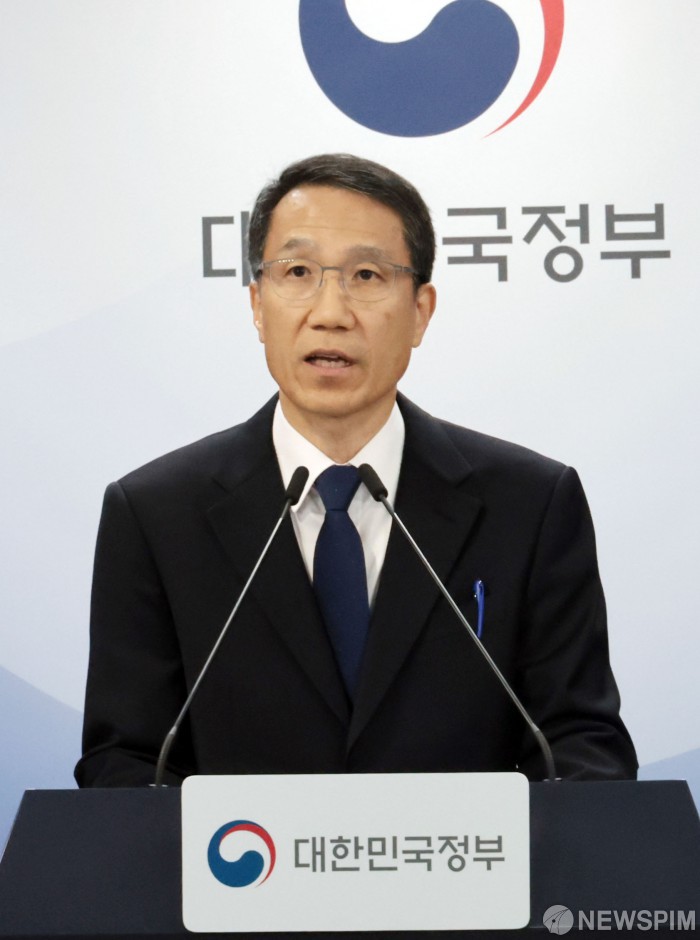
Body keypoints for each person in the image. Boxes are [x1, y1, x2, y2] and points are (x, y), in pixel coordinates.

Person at [75, 154, 637, 787]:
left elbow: (580, 745)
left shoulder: (530, 505)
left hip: (459, 853)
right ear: (257, 305)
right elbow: (125, 763)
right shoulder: (155, 516)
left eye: (366, 275)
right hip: (241, 854)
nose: (331, 312)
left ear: (421, 311)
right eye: (298, 272)